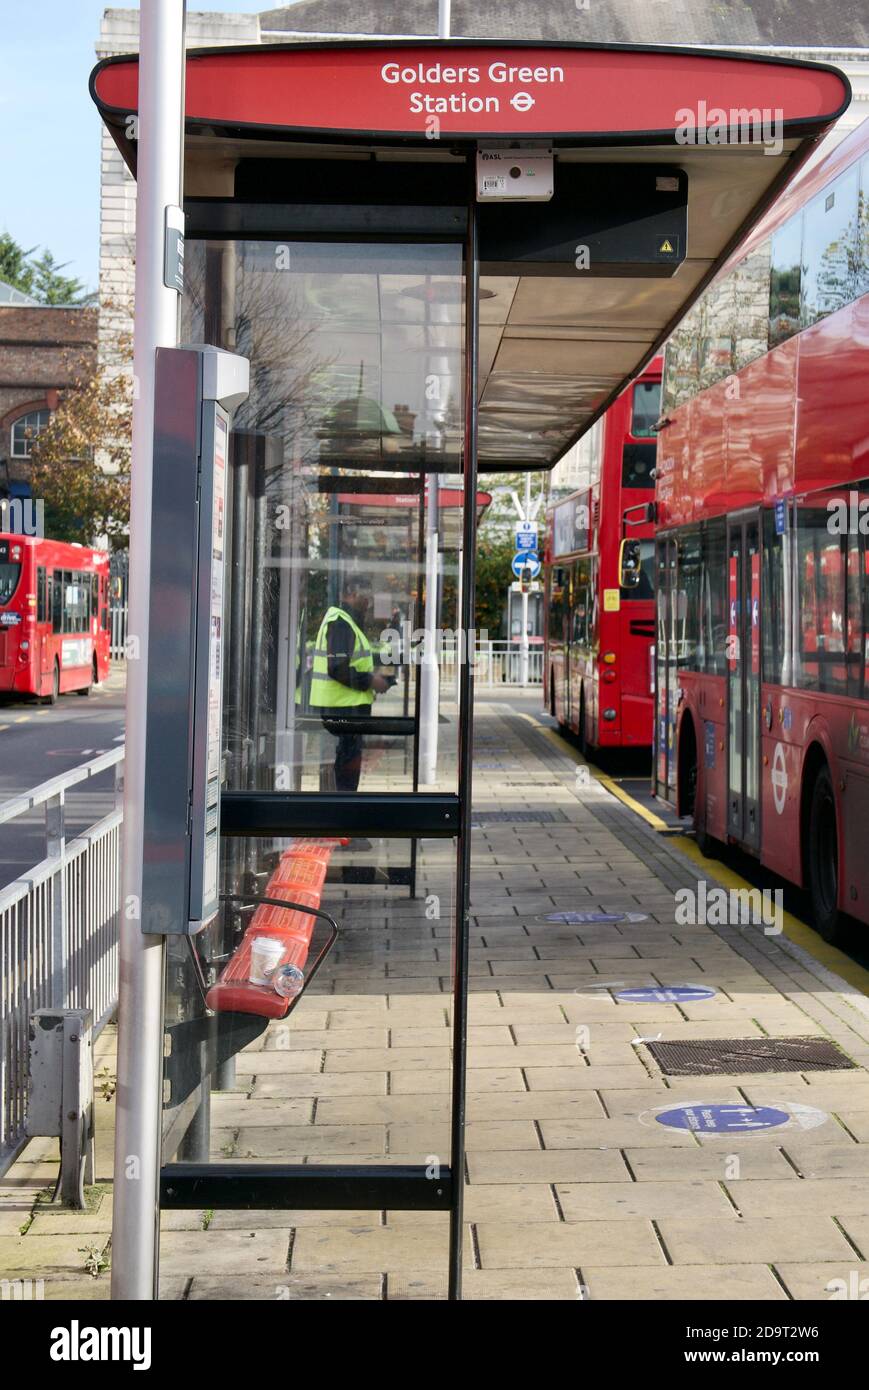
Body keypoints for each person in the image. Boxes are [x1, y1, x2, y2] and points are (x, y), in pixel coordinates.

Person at [308, 575, 390, 791]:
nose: (368, 603)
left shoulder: (345, 622)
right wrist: (372, 681)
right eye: (366, 598)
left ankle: (341, 815)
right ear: (352, 594)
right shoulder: (341, 623)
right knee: (346, 774)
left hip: (345, 710)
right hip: (342, 711)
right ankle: (342, 816)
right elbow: (337, 667)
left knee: (345, 770)